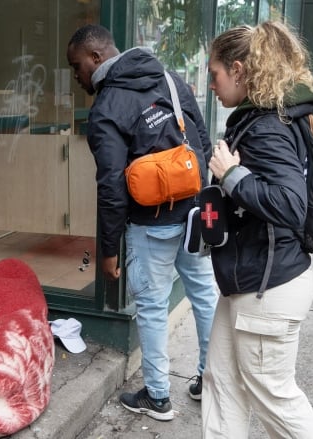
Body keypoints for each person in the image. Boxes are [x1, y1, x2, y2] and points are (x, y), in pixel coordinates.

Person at [66, 24, 217, 421]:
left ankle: (158, 396)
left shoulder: (106, 108)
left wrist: (109, 250)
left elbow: (112, 187)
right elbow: (200, 136)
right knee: (203, 294)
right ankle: (212, 380)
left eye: (76, 65)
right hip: (192, 212)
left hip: (151, 223)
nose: (76, 75)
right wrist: (203, 197)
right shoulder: (169, 79)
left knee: (151, 306)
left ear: (96, 58)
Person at [205, 21, 313, 438]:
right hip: (250, 280)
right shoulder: (262, 118)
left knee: (273, 395)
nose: (212, 87)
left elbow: (292, 205)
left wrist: (232, 175)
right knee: (222, 385)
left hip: (268, 288)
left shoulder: (268, 128)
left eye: (215, 75)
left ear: (238, 70)